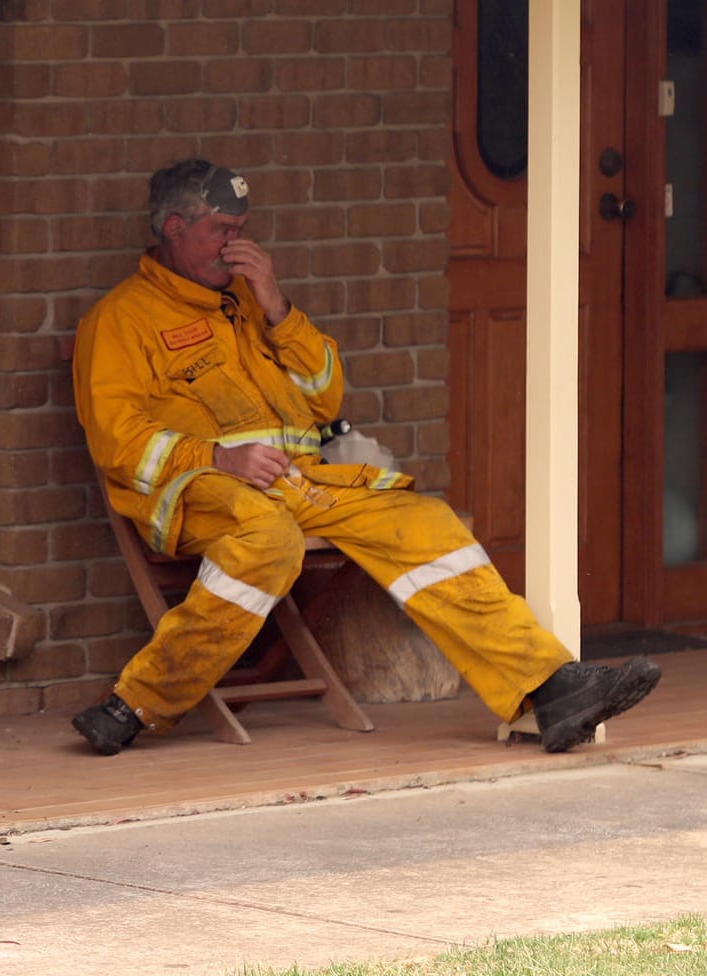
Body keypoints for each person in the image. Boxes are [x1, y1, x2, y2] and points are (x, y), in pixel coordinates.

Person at [69, 159, 660, 757]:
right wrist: (220, 459)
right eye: (222, 229)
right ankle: (136, 702)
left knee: (425, 522)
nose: (236, 245)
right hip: (202, 490)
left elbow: (324, 396)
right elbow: (118, 442)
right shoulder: (120, 320)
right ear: (174, 228)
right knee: (269, 542)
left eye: (242, 228)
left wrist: (277, 309)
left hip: (305, 485)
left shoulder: (248, 303)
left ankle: (549, 685)